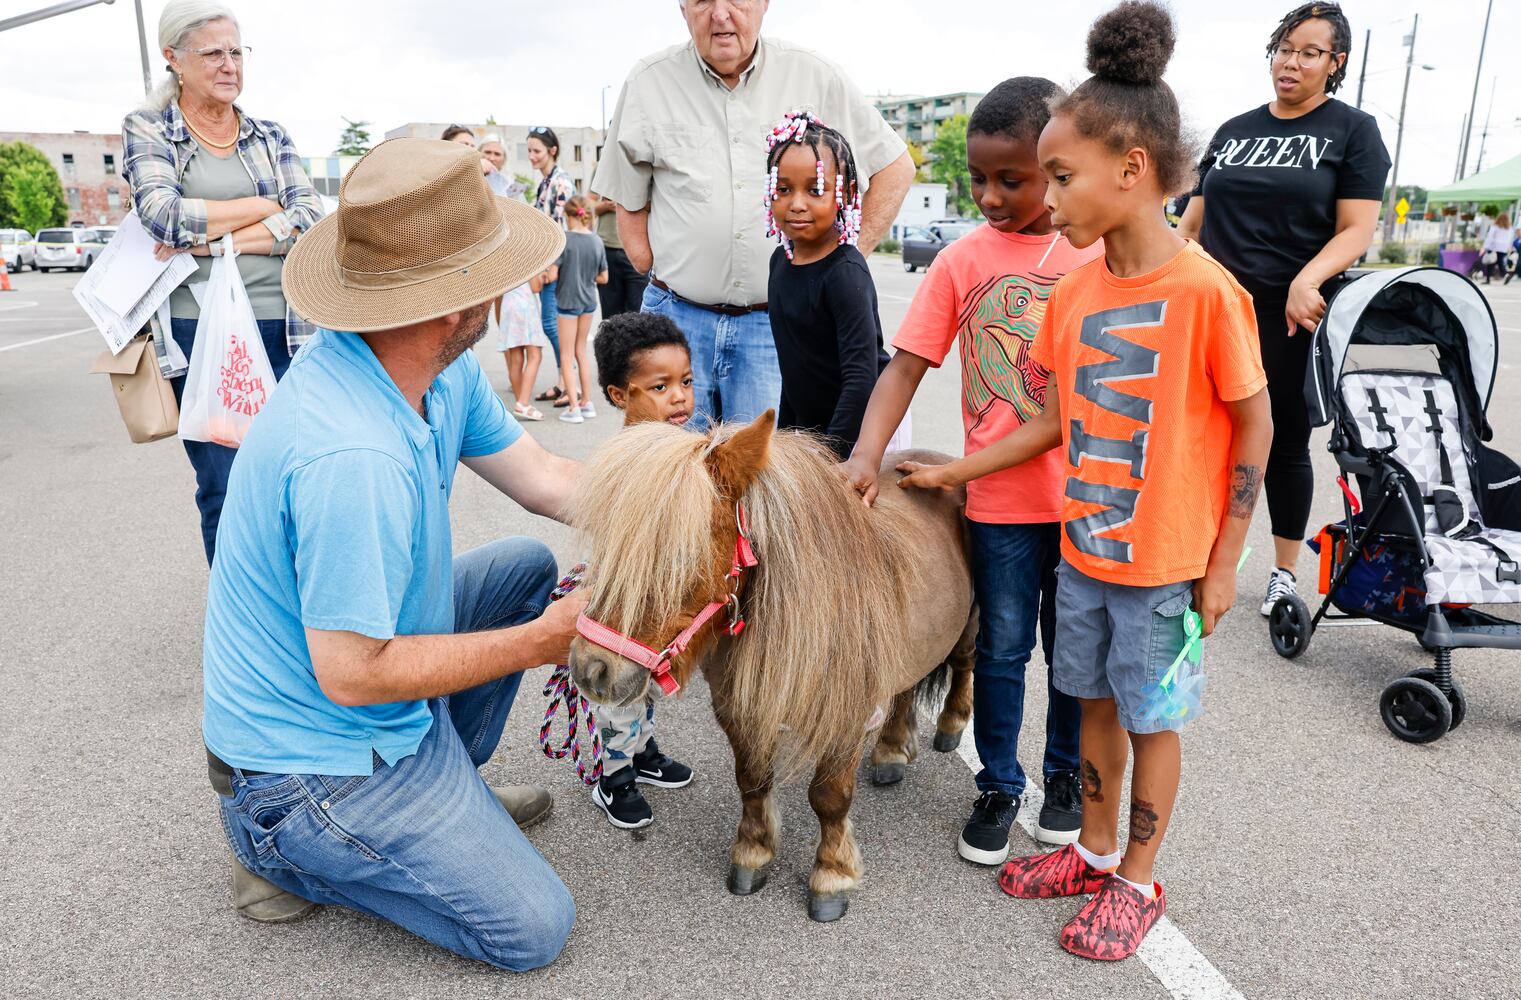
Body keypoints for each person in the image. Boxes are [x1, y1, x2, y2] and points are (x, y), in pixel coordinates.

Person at [900, 1, 1272, 961]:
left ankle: (1138, 883)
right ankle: (1093, 851)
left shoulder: (1204, 291)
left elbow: (1254, 426)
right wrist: (957, 467)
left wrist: (1223, 561)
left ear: (1132, 170)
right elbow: (1051, 420)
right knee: (1092, 705)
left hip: (1160, 568)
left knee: (1150, 721)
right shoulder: (1072, 291)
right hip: (1084, 547)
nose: (1047, 199)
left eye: (1061, 177)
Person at [203, 137, 585, 968]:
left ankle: (447, 792)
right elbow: (353, 673)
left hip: (351, 698)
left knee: (522, 564)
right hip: (306, 770)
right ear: (456, 304)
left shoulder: (430, 369)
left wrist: (682, 502)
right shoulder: (352, 455)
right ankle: (284, 857)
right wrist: (544, 642)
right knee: (531, 928)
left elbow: (548, 478)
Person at [842, 78, 1104, 865]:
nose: (990, 196)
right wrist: (863, 454)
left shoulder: (1096, 249)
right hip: (996, 497)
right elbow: (905, 366)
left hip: (1089, 503)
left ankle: (1063, 778)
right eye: (978, 179)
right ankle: (998, 782)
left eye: (1011, 179)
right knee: (998, 649)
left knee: (1073, 651)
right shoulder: (961, 260)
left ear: (1058, 165)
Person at [593, 0, 916, 431]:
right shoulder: (649, 81)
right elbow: (625, 190)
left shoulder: (815, 75)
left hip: (774, 329)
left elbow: (896, 167)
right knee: (670, 479)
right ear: (682, 7)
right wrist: (646, 261)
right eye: (703, 0)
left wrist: (837, 263)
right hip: (676, 320)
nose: (720, 14)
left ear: (764, 4)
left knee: (764, 481)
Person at [1177, 1, 1388, 616]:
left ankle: (1282, 573)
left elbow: (1356, 229)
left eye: (1309, 52)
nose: (1291, 62)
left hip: (1289, 314)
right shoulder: (1235, 130)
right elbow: (1193, 222)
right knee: (1199, 434)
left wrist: (1308, 279)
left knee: (1285, 445)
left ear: (1335, 62)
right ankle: (1195, 555)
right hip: (1215, 309)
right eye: (1284, 49)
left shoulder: (1352, 131)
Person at [122, 0, 322, 565]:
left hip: (287, 326)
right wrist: (261, 206)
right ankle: (240, 623)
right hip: (198, 329)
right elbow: (161, 215)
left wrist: (210, 240)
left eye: (237, 52)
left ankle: (294, 606)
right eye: (213, 53)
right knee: (225, 482)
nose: (229, 64)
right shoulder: (148, 129)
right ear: (174, 60)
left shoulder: (268, 135)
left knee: (290, 477)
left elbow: (308, 219)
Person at [582, 312, 699, 829]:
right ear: (618, 395)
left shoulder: (681, 447)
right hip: (627, 607)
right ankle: (614, 778)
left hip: (661, 603)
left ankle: (644, 754)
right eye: (660, 386)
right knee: (622, 692)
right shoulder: (624, 459)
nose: (680, 397)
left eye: (686, 382)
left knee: (649, 685)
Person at [762, 111, 888, 459]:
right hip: (815, 432)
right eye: (783, 189)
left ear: (845, 193)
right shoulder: (779, 264)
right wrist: (786, 443)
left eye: (816, 189)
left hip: (865, 431)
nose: (797, 204)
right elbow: (794, 366)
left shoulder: (845, 274)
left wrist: (830, 457)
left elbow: (861, 379)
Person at [529, 126, 575, 405]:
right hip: (547, 262)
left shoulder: (561, 183)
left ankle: (571, 384)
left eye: (537, 151)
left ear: (552, 151)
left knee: (553, 323)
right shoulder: (545, 183)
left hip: (558, 264)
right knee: (551, 323)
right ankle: (563, 382)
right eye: (530, 150)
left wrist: (553, 265)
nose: (532, 156)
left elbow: (563, 228)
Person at [553, 195, 609, 424]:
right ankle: (587, 402)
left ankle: (573, 408)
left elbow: (553, 274)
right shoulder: (597, 241)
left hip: (567, 302)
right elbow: (603, 277)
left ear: (567, 216)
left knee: (566, 356)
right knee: (581, 352)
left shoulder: (564, 241)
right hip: (588, 302)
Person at [499, 273, 552, 422]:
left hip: (508, 304)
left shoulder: (505, 254)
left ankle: (521, 403)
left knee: (516, 358)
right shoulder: (529, 255)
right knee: (535, 356)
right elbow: (535, 287)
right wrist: (543, 276)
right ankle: (523, 403)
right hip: (525, 306)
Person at [594, 192, 649, 319]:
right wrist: (606, 206)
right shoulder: (603, 171)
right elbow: (587, 207)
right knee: (610, 317)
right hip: (608, 250)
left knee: (637, 316)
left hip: (639, 252)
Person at [1480, 212, 1514, 284]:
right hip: (1503, 248)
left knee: (1490, 263)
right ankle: (1506, 275)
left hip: (1494, 247)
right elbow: (1510, 239)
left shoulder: (1495, 226)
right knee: (1500, 263)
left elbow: (1490, 237)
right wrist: (1509, 247)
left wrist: (1485, 246)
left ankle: (1488, 279)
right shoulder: (1510, 228)